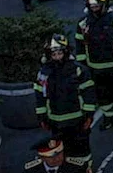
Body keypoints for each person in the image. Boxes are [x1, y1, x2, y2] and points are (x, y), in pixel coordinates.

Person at [75, 0, 113, 131]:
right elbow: (80, 46)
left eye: (97, 6)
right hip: (95, 67)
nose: (94, 9)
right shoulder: (83, 23)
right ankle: (108, 117)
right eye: (92, 6)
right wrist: (83, 67)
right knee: (102, 95)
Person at [34, 34, 96, 163]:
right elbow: (40, 96)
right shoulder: (43, 74)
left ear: (66, 52)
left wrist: (89, 115)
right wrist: (42, 117)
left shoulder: (78, 70)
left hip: (77, 119)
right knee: (63, 150)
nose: (57, 57)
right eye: (53, 54)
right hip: (55, 122)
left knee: (82, 150)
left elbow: (88, 93)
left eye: (59, 53)